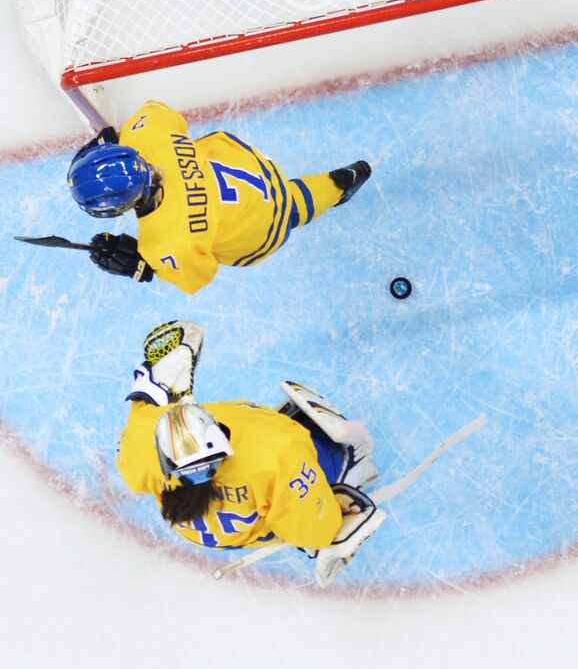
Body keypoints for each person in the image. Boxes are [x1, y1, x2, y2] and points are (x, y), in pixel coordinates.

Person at [115, 321, 382, 587]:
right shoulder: (276, 452)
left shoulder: (140, 442)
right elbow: (317, 532)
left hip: (201, 532)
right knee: (331, 450)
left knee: (287, 493)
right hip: (268, 512)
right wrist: (333, 520)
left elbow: (152, 389)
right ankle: (348, 469)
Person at [67, 99, 371, 294]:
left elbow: (198, 275)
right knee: (279, 192)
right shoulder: (145, 136)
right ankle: (339, 183)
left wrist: (144, 267)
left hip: (261, 225)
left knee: (286, 211)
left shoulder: (164, 242)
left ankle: (337, 188)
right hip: (251, 163)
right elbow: (161, 113)